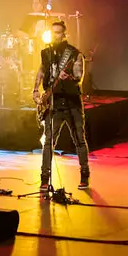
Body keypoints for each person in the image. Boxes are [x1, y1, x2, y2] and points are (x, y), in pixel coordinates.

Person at [34, 20, 89, 190]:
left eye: (59, 32)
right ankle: (44, 177)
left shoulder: (74, 54)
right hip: (54, 103)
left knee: (79, 139)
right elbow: (42, 71)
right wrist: (36, 90)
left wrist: (70, 78)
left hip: (72, 102)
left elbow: (79, 78)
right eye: (54, 32)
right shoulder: (47, 53)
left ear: (65, 34)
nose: (56, 35)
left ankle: (84, 175)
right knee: (48, 142)